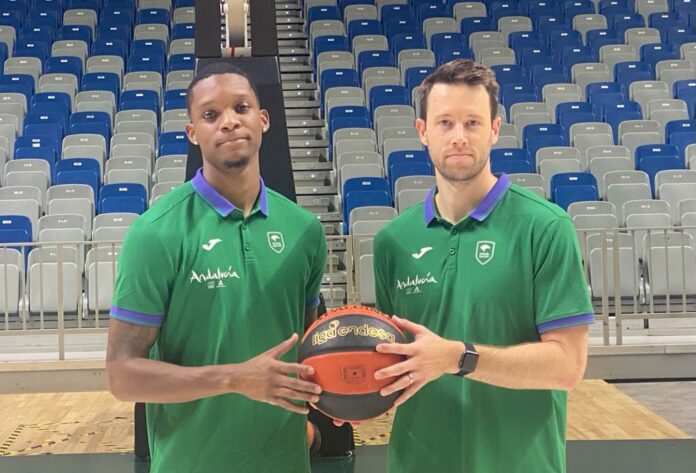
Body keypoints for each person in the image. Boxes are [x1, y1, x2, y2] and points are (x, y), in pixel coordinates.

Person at [371, 59, 594, 472]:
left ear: (494, 128)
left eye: (472, 123)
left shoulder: (545, 227)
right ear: (422, 131)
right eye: (445, 123)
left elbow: (567, 366)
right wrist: (347, 395)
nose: (459, 136)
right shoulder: (392, 242)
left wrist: (459, 357)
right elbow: (393, 361)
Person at [105, 63, 327, 473]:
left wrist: (343, 396)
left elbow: (312, 351)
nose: (229, 122)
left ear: (263, 119)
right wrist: (233, 378)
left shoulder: (305, 230)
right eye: (211, 114)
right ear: (193, 132)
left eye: (241, 108)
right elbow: (122, 375)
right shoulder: (155, 233)